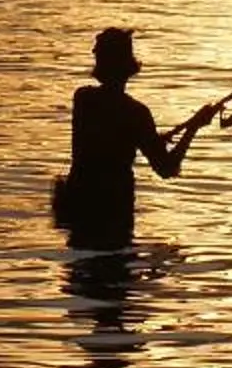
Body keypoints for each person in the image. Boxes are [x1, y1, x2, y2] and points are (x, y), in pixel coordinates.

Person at [50, 27, 219, 248]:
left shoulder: (83, 99)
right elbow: (166, 168)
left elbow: (108, 137)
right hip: (114, 213)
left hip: (79, 208)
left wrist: (149, 138)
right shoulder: (136, 113)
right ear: (128, 66)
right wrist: (193, 128)